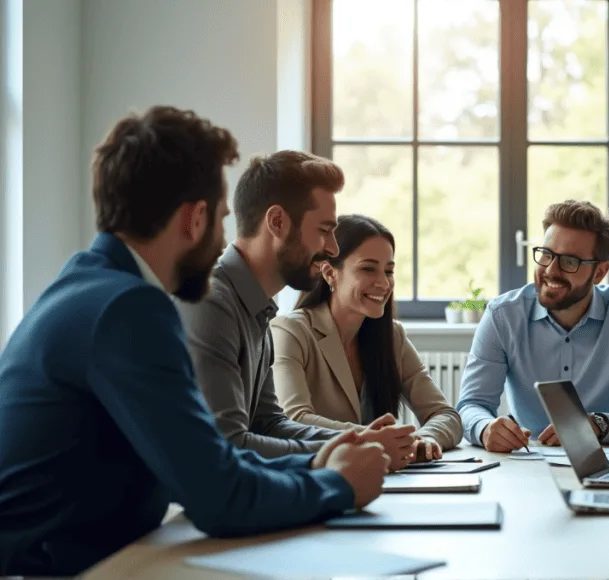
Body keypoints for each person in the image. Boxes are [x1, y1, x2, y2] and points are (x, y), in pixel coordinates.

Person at [0, 106, 390, 577]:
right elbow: (217, 497)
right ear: (195, 218)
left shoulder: (94, 287)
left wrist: (324, 465)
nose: (225, 238)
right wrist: (337, 485)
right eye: (223, 219)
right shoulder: (129, 310)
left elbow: (212, 463)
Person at [176, 151, 415, 471]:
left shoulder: (258, 309)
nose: (333, 248)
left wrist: (358, 442)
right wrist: (346, 453)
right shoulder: (212, 303)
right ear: (276, 222)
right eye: (324, 230)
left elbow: (269, 423)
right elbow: (228, 446)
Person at [457, 200, 609, 452]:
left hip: (607, 457)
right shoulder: (503, 315)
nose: (550, 269)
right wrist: (485, 428)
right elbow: (472, 404)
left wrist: (599, 424)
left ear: (600, 273)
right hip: (527, 460)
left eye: (569, 261)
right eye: (546, 254)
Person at [271, 214, 464, 460]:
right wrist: (374, 439)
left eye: (389, 271)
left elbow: (446, 415)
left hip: (384, 479)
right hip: (321, 479)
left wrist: (425, 439)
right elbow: (294, 420)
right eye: (368, 269)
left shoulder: (392, 336)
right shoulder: (290, 332)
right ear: (330, 273)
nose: (384, 283)